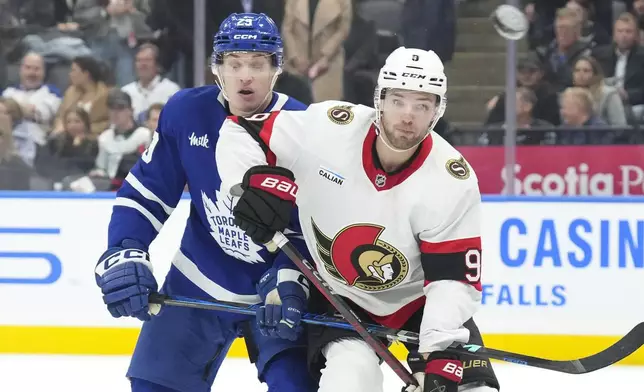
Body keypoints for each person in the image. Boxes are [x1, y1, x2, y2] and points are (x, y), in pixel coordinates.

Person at [216, 47, 500, 392]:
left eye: (421, 105)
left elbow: (452, 281)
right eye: (398, 101)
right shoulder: (329, 128)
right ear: (379, 100)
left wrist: (437, 351)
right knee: (348, 381)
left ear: (437, 111)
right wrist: (250, 183)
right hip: (341, 295)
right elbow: (241, 131)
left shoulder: (452, 179)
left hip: (420, 302)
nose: (407, 116)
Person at [93, 13, 315, 392]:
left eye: (258, 64)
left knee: (294, 386)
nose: (245, 75)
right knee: (152, 385)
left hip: (278, 288)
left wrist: (292, 280)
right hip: (201, 273)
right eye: (234, 63)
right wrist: (124, 249)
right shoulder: (186, 112)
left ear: (276, 69)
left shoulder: (308, 129)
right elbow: (146, 193)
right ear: (217, 68)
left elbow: (318, 227)